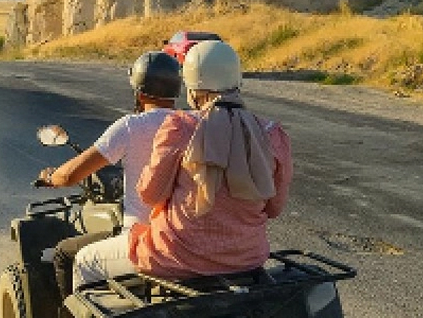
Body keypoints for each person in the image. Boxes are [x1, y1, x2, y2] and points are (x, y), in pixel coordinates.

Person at [127, 40, 293, 280]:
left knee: (83, 261)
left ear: (192, 89)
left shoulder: (180, 127)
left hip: (174, 259)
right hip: (246, 261)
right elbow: (274, 208)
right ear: (237, 82)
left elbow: (150, 195)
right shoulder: (272, 134)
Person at [37, 51, 182, 299]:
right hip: (185, 236)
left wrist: (51, 178)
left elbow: (71, 175)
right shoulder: (192, 123)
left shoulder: (131, 126)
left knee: (65, 254)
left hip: (144, 239)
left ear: (139, 90)